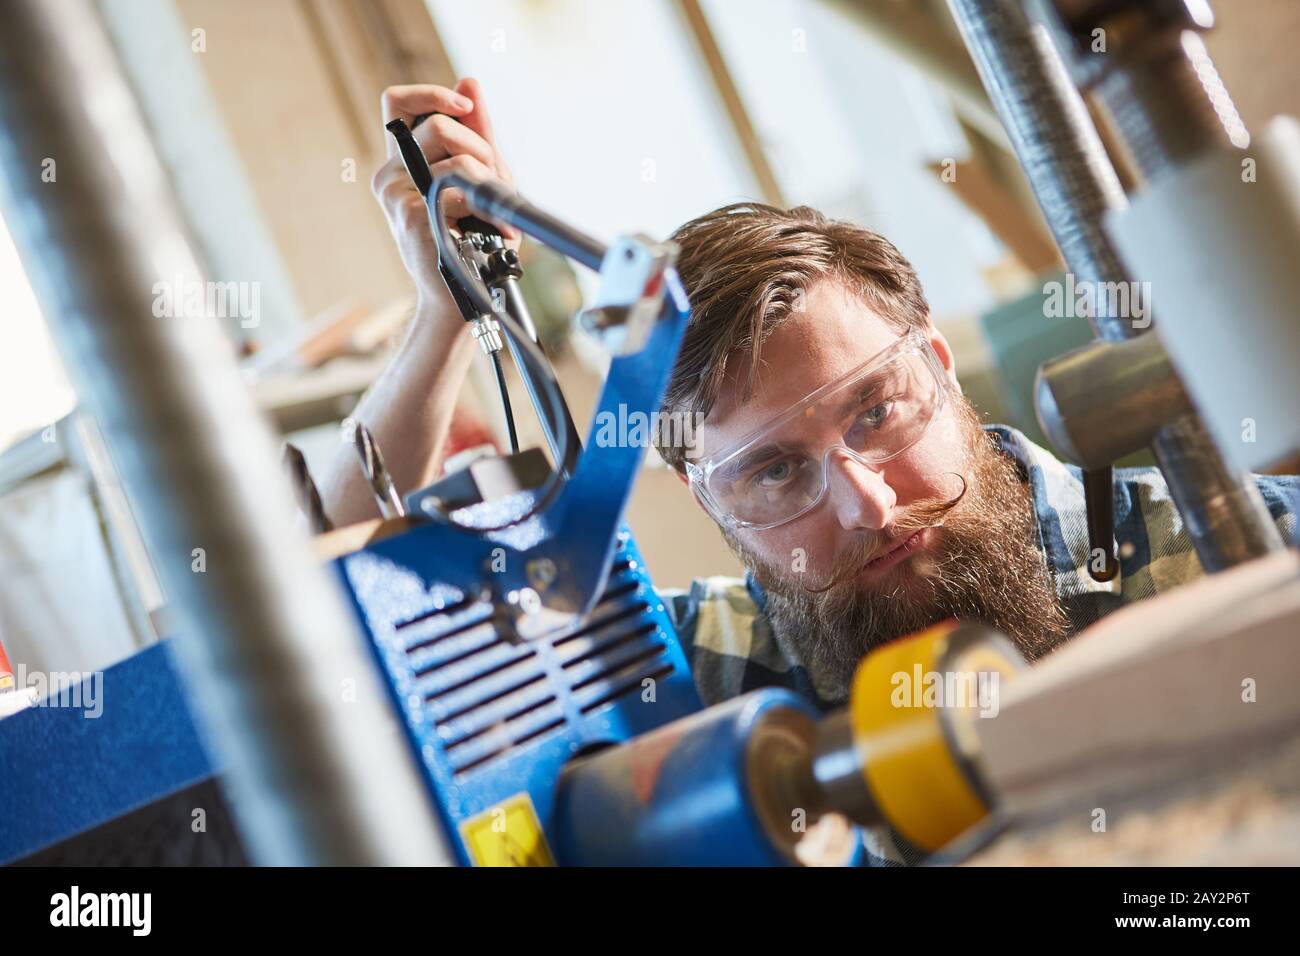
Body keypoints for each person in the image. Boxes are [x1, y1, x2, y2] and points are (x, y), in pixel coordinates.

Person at [325, 84, 1300, 861]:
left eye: (876, 411)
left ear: (942, 367)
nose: (866, 500)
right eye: (776, 472)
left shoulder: (1227, 546)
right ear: (704, 497)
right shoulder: (687, 681)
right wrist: (444, 319)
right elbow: (314, 650)